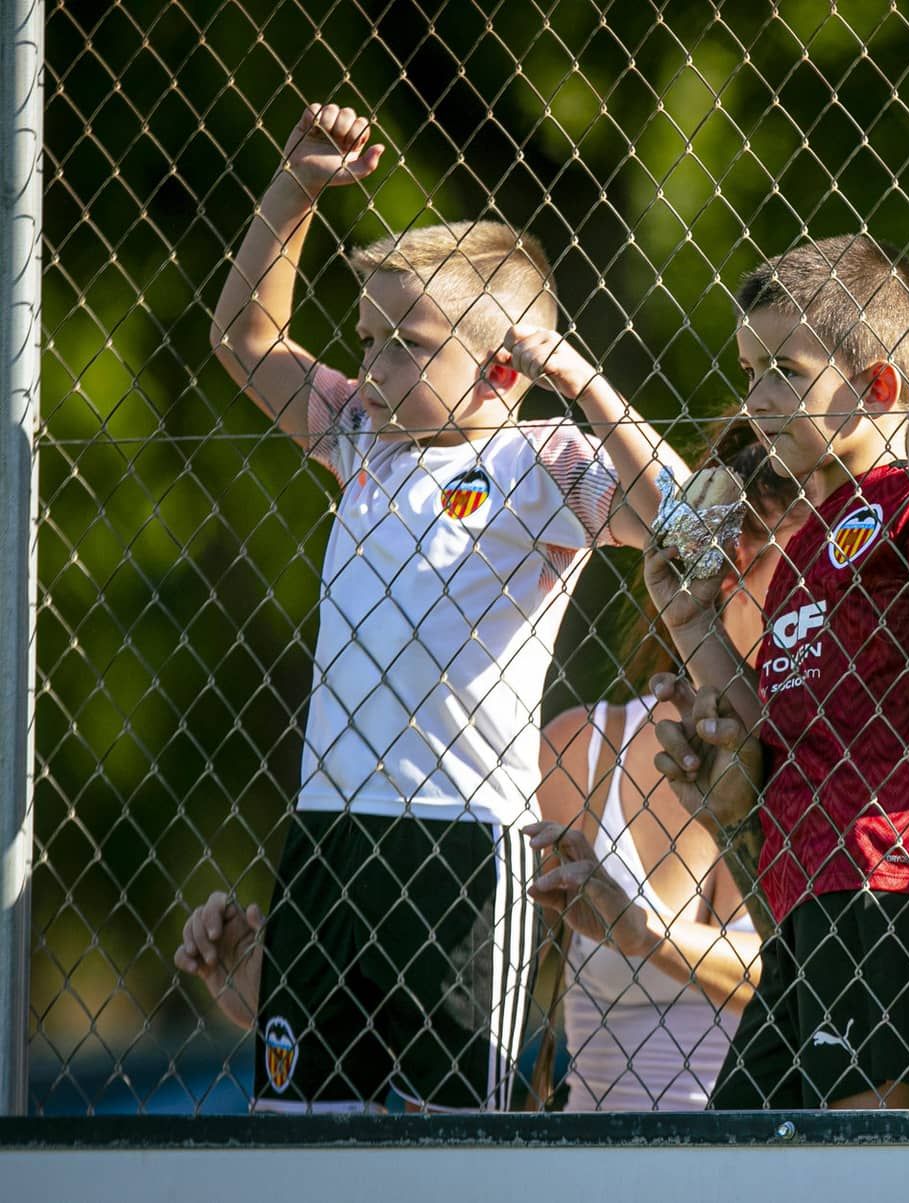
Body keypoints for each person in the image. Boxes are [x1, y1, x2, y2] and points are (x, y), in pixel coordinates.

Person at [188, 102, 688, 1112]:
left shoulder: (541, 462)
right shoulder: (361, 441)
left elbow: (677, 516)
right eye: (367, 340)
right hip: (330, 833)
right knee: (299, 1122)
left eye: (404, 346)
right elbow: (244, 339)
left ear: (504, 368)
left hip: (460, 845)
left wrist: (580, 379)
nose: (371, 369)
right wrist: (296, 186)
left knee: (452, 1141)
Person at [641, 235, 909, 1110]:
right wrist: (692, 620)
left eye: (785, 371)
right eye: (749, 371)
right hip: (809, 883)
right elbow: (762, 725)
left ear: (877, 387)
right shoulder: (811, 533)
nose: (756, 400)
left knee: (861, 1138)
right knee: (740, 1141)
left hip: (889, 867)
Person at [523, 438, 802, 1111]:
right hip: (608, 1155)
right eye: (796, 564)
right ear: (726, 570)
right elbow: (489, 984)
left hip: (780, 1154)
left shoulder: (845, 757)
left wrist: (646, 934)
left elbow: (823, 978)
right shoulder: (586, 748)